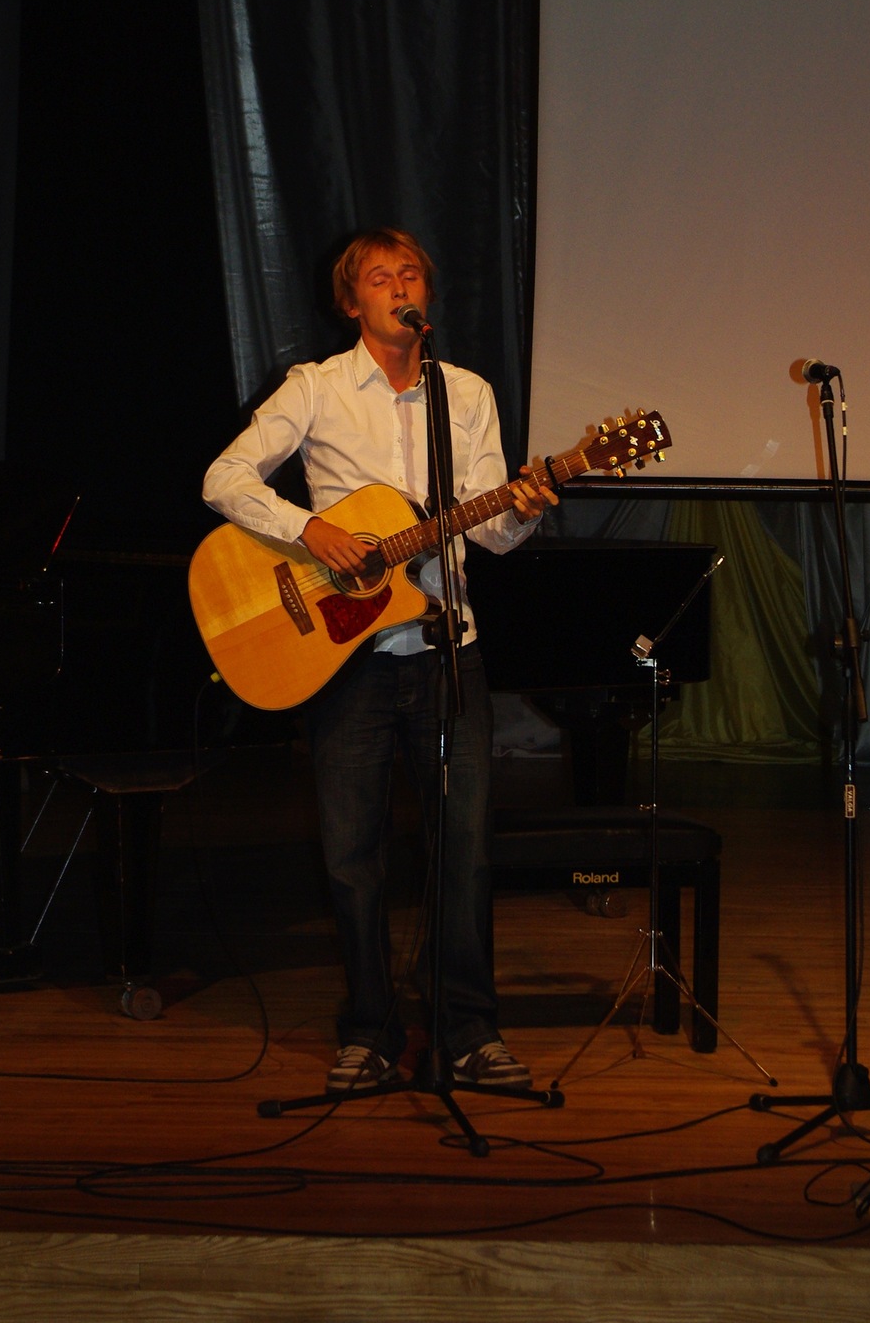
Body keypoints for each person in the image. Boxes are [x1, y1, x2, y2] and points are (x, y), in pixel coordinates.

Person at [202, 228, 556, 1093]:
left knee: (465, 852)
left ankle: (469, 1031)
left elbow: (493, 536)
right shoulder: (315, 387)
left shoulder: (465, 393)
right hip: (347, 659)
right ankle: (367, 1032)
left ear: (426, 296)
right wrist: (310, 529)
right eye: (379, 276)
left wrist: (525, 506)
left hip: (448, 650)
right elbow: (224, 478)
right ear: (351, 301)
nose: (399, 286)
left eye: (411, 274)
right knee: (351, 858)